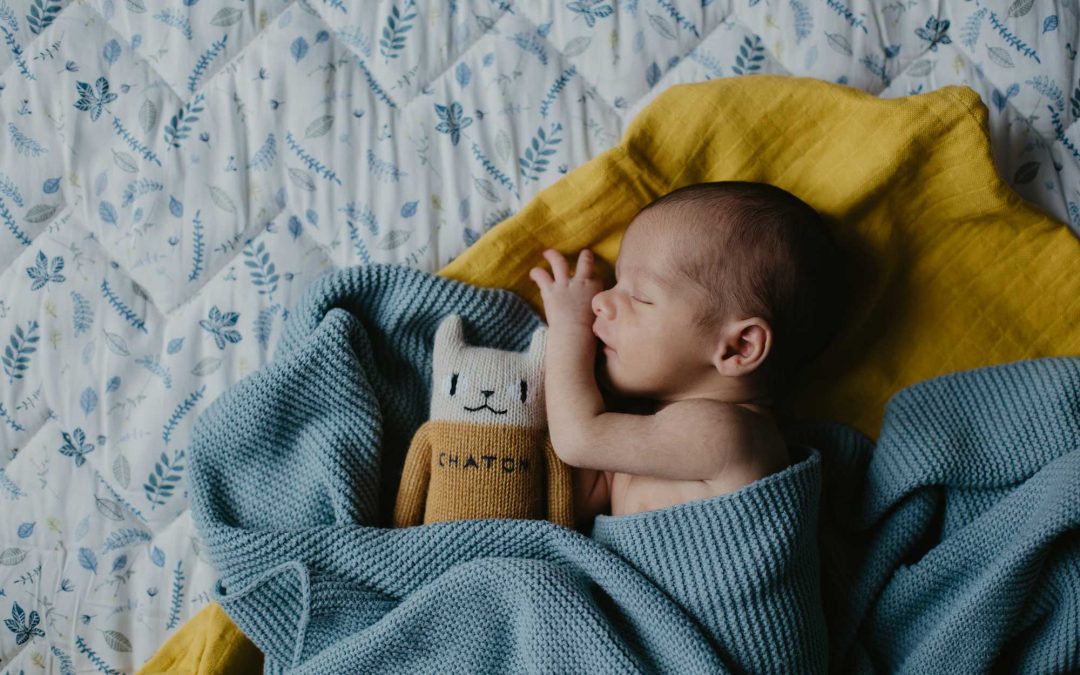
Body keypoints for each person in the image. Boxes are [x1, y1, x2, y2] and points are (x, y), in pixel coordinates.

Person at [528, 181, 847, 531]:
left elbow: (579, 440)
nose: (600, 301)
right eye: (617, 282)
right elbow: (584, 498)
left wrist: (570, 326)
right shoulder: (653, 428)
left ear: (739, 347)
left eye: (641, 297)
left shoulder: (730, 434)